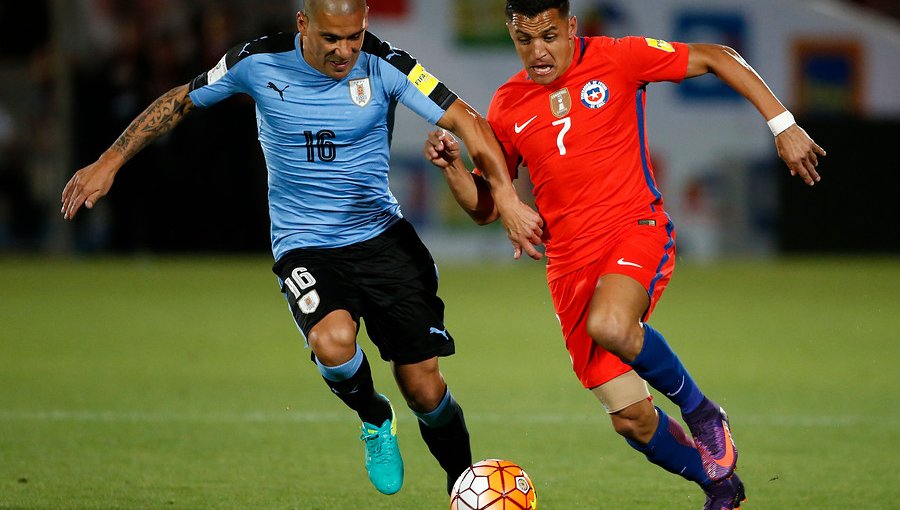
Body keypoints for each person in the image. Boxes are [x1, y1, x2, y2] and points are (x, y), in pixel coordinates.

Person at [60, 0, 543, 497]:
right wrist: (110, 160)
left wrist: (504, 198)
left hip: (382, 240)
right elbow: (181, 100)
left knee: (424, 388)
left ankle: (462, 489)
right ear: (303, 25)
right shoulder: (257, 62)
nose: (344, 50)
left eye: (354, 36)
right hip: (305, 245)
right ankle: (374, 417)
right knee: (332, 343)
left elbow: (467, 121)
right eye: (332, 38)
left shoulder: (386, 64)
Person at [425, 1, 825, 508]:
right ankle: (719, 485)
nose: (538, 51)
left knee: (611, 325)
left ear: (571, 26)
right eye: (524, 40)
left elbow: (718, 56)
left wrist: (782, 124)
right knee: (630, 419)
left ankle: (703, 413)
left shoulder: (618, 59)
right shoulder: (507, 104)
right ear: (511, 36)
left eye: (549, 35)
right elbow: (487, 208)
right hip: (568, 266)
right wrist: (454, 169)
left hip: (634, 229)